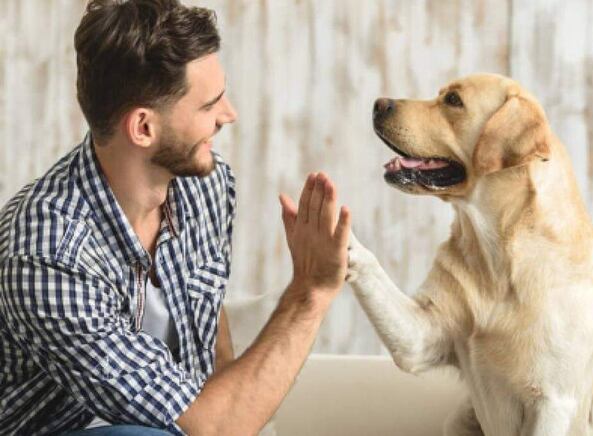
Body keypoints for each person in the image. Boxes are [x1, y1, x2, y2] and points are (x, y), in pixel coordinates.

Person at [0, 0, 351, 434]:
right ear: (143, 128)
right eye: (209, 105)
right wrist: (310, 293)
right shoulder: (48, 255)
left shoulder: (206, 185)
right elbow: (210, 425)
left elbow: (212, 354)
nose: (230, 115)